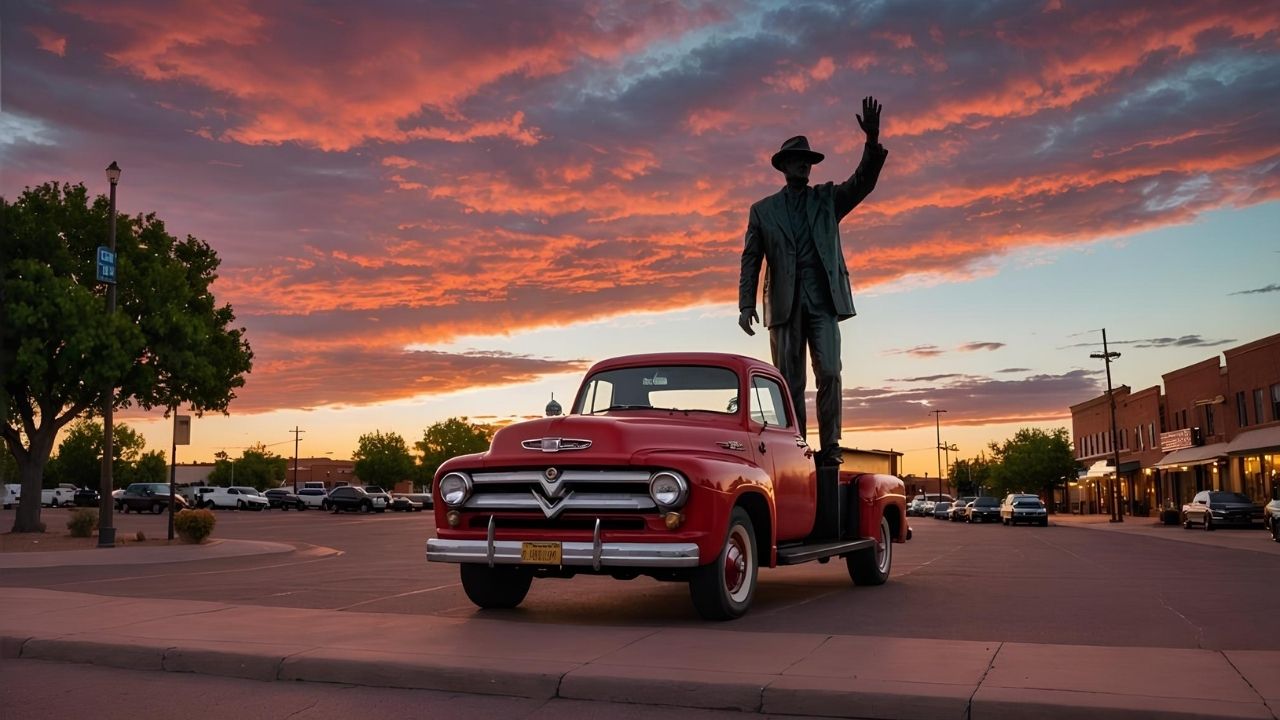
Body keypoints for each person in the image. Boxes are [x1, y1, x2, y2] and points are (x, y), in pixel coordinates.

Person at [737, 96, 889, 466]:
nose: (804, 165)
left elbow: (862, 183)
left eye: (808, 160)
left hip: (823, 302)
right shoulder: (763, 210)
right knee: (790, 383)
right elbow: (751, 259)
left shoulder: (827, 200)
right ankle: (798, 446)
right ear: (785, 166)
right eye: (798, 160)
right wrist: (745, 304)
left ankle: (832, 446)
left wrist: (871, 142)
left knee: (831, 373)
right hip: (785, 306)